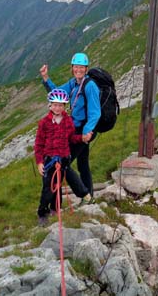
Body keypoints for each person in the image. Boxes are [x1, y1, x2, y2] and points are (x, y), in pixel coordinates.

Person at [40, 52, 100, 196]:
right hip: (77, 129)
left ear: (86, 69)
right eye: (76, 67)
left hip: (84, 131)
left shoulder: (90, 85)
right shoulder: (73, 83)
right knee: (82, 163)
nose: (78, 70)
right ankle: (89, 196)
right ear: (72, 68)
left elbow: (95, 112)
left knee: (62, 162)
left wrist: (87, 131)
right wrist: (46, 78)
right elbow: (58, 93)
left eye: (81, 67)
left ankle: (82, 195)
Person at [34, 88, 92, 226]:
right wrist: (39, 162)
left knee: (63, 182)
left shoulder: (68, 121)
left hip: (64, 158)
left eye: (60, 105)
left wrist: (82, 138)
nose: (57, 107)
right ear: (50, 105)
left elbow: (71, 137)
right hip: (49, 160)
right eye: (55, 104)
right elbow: (39, 143)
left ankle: (57, 209)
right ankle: (42, 212)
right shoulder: (44, 123)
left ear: (64, 106)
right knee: (48, 187)